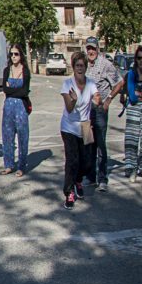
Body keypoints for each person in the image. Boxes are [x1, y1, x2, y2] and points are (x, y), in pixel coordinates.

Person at [83, 37, 125, 191]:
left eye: (93, 48)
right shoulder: (84, 64)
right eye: (88, 48)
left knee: (100, 144)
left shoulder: (105, 64)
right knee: (88, 143)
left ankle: (102, 178)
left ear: (98, 49)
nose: (91, 51)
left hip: (99, 109)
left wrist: (108, 100)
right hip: (86, 110)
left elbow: (119, 82)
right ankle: (90, 176)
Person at [60, 52, 99, 209]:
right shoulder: (67, 84)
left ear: (86, 67)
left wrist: (97, 100)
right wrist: (73, 100)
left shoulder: (90, 83)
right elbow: (69, 109)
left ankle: (78, 180)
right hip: (69, 126)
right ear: (73, 67)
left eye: (82, 65)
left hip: (85, 126)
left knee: (87, 162)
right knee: (72, 160)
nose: (80, 68)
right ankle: (69, 192)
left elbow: (96, 96)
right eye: (77, 66)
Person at [1, 44, 31, 177]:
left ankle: (21, 166)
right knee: (7, 135)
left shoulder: (25, 71)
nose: (13, 57)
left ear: (21, 55)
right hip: (8, 107)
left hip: (21, 107)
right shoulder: (7, 70)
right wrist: (14, 91)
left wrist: (11, 90)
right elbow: (5, 89)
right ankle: (8, 164)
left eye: (16, 54)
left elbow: (24, 91)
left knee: (22, 136)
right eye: (11, 54)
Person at [123, 45, 142, 182]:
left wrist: (139, 94)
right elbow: (132, 97)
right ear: (135, 59)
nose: (141, 61)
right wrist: (141, 94)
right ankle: (132, 169)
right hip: (133, 108)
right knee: (132, 139)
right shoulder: (132, 74)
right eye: (139, 58)